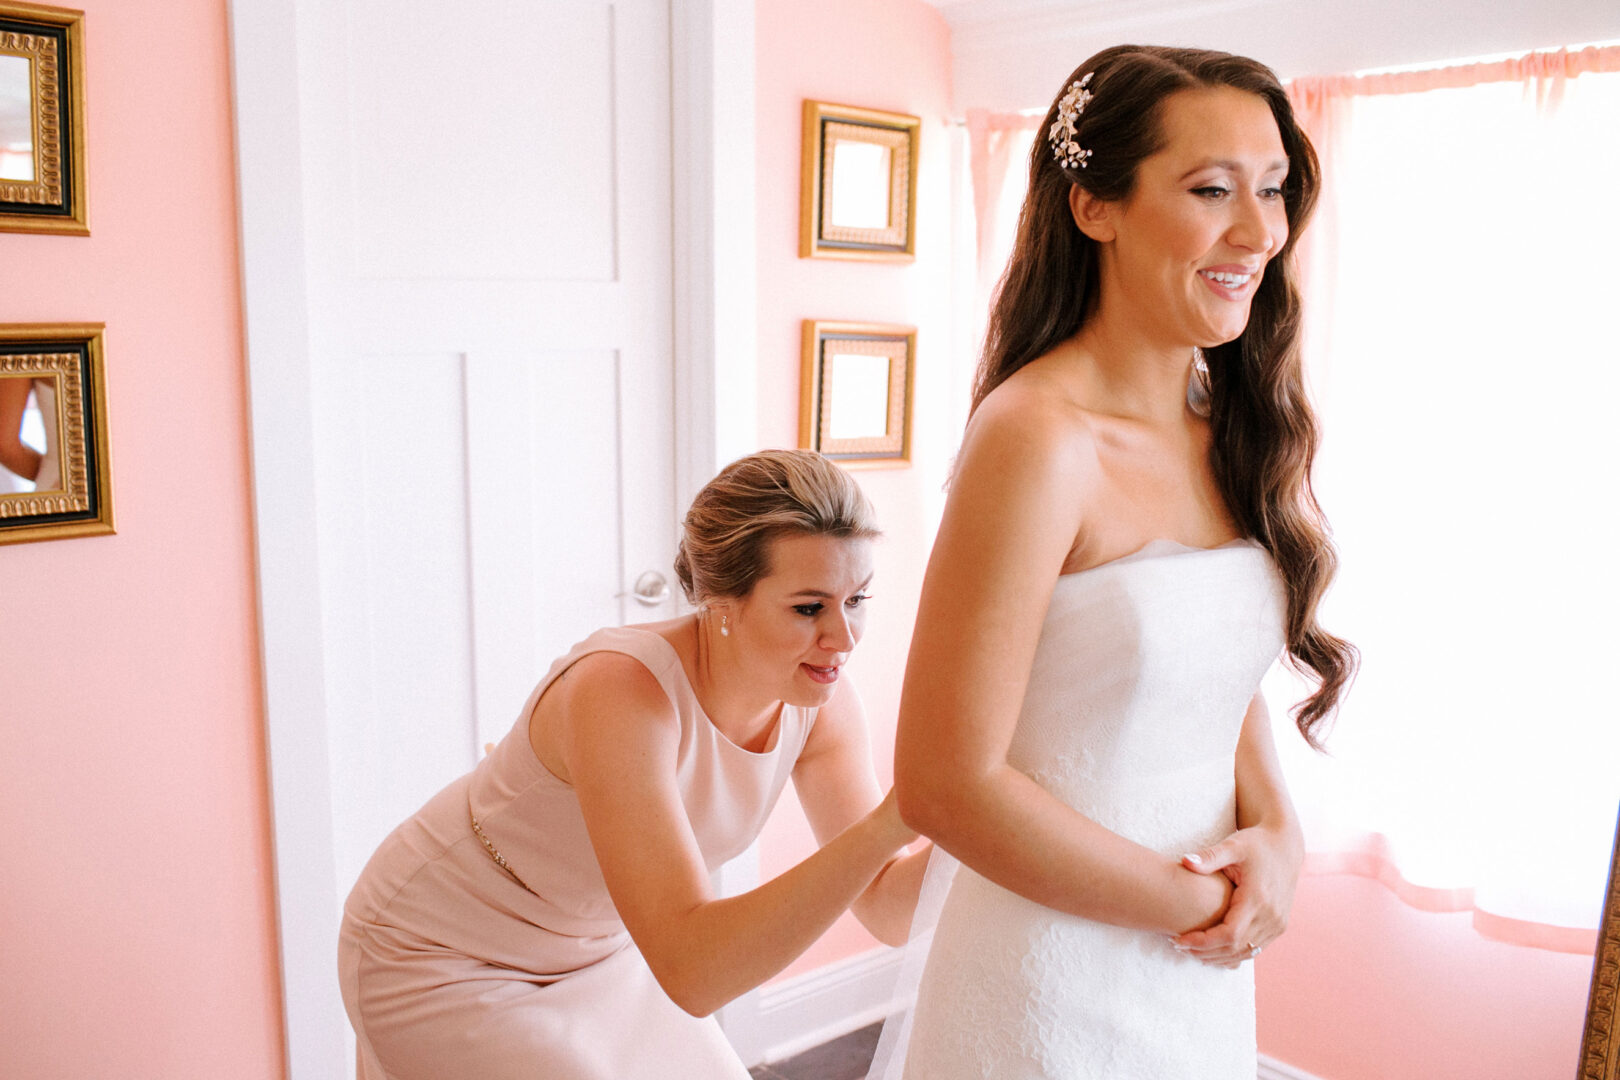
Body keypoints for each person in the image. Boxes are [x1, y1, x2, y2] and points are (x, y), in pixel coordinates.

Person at [883, 46, 1357, 1079]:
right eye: (1210, 190)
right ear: (1095, 205)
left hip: (1197, 972)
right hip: (1052, 976)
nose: (1258, 232)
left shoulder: (1225, 426)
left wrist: (1278, 833)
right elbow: (942, 784)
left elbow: (1211, 673)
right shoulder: (1037, 439)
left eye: (1273, 190)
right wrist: (1198, 902)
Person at [339, 449, 926, 1080]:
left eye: (858, 598)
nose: (844, 637)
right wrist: (891, 821)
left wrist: (978, 805)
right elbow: (695, 974)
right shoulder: (621, 691)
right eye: (809, 608)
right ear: (722, 602)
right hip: (444, 951)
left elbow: (889, 911)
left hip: (602, 952)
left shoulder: (822, 704)